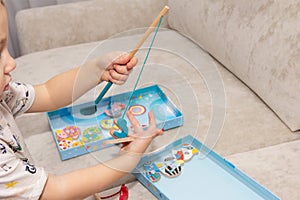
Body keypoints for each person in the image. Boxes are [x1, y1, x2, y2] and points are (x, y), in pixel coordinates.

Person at [0, 1, 163, 199]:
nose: (12, 62)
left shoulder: (4, 95)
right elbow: (55, 191)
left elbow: (48, 93)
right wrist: (128, 159)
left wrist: (98, 69)